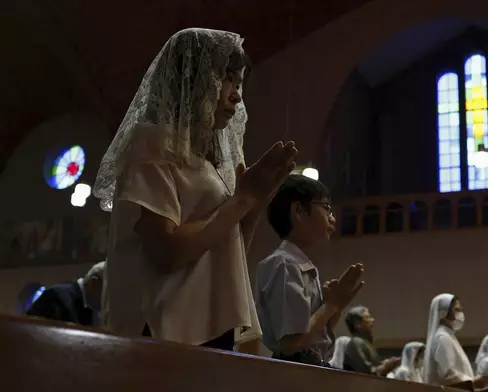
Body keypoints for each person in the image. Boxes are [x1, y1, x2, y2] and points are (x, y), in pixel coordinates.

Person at [93, 28, 298, 350]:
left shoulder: (208, 162)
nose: (236, 95)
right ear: (193, 78)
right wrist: (242, 199)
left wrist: (257, 199)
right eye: (226, 80)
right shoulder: (152, 143)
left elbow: (229, 249)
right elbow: (167, 253)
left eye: (238, 82)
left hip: (209, 319)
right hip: (163, 326)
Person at [255, 175, 364, 365]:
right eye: (326, 208)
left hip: (307, 367)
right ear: (299, 210)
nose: (332, 218)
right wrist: (330, 305)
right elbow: (292, 342)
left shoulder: (296, 264)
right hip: (294, 372)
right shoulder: (284, 264)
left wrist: (335, 307)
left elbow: (314, 336)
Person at [422, 293, 488, 388]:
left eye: (461, 310)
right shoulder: (443, 337)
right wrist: (473, 382)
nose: (461, 314)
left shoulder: (448, 335)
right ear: (443, 313)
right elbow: (449, 375)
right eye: (457, 310)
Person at [27, 261, 105, 327]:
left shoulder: (92, 311)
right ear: (95, 282)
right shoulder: (57, 296)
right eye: (107, 293)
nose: (109, 301)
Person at [343, 306, 401, 376]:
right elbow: (365, 373)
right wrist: (386, 366)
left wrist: (384, 364)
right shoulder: (356, 343)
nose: (372, 320)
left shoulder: (366, 343)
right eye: (368, 317)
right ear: (357, 324)